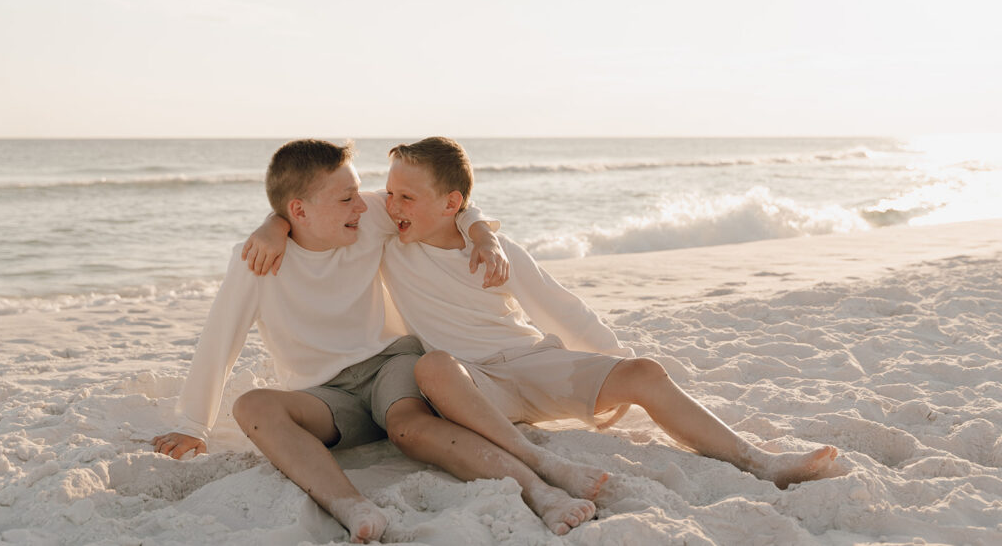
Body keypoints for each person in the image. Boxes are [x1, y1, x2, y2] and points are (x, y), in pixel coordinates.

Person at [245, 137, 843, 494]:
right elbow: (318, 210)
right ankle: (539, 462)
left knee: (644, 372)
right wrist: (273, 223)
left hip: (533, 363)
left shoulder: (496, 253)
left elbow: (561, 307)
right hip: (472, 388)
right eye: (388, 192)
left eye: (406, 196)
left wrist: (606, 358)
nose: (388, 203)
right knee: (434, 366)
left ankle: (756, 462)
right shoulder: (385, 232)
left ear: (449, 203)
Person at [152, 139, 598, 543]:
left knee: (407, 427)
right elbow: (220, 337)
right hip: (325, 398)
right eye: (348, 198)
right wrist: (193, 424)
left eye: (359, 193)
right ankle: (353, 508)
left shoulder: (363, 221)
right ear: (300, 212)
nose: (366, 206)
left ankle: (539, 490)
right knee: (252, 406)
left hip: (392, 365)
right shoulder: (258, 258)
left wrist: (481, 232)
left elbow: (450, 205)